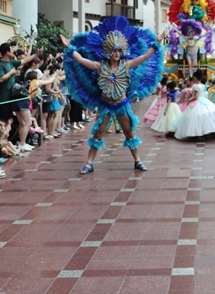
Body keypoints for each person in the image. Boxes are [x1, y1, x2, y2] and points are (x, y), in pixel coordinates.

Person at [63, 16, 163, 175]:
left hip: (122, 104)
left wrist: (156, 44)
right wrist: (70, 48)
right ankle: (89, 163)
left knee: (129, 133)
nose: (116, 53)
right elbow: (81, 60)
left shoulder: (127, 65)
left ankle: (138, 161)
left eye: (118, 50)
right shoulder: (99, 66)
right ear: (108, 52)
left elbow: (143, 58)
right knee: (98, 133)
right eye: (114, 50)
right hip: (105, 105)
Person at [174, 74, 215, 140]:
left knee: (195, 117)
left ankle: (198, 134)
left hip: (197, 101)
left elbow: (195, 96)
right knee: (202, 117)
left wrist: (189, 100)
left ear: (196, 78)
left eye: (194, 77)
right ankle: (205, 132)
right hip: (203, 100)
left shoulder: (195, 86)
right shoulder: (202, 85)